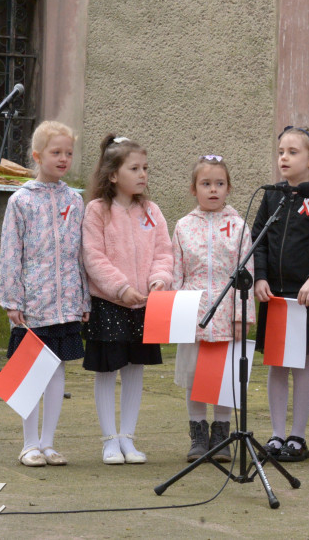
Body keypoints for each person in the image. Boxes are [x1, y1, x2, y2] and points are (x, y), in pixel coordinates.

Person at [0, 121, 90, 467]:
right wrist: (12, 300)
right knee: (31, 373)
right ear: (38, 156)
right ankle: (29, 443)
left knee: (56, 372)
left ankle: (49, 442)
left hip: (65, 303)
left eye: (68, 152)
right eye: (56, 152)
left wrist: (84, 300)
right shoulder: (20, 201)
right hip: (33, 305)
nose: (64, 158)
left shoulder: (75, 200)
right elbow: (11, 253)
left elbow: (81, 253)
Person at [253, 126, 309, 462]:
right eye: (281, 151)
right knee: (276, 365)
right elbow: (258, 239)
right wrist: (260, 276)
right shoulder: (272, 196)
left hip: (305, 296)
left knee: (300, 364)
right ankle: (276, 435)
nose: (284, 158)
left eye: (293, 152)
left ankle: (298, 438)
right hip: (273, 295)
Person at [82, 134, 173, 465]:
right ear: (113, 174)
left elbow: (164, 252)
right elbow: (93, 257)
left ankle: (128, 439)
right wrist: (120, 287)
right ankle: (109, 440)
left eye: (145, 168)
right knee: (108, 369)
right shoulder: (97, 211)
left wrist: (159, 280)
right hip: (110, 303)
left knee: (135, 368)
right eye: (134, 168)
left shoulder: (151, 211)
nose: (143, 174)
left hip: (145, 304)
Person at [171, 155, 253, 463]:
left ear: (228, 187)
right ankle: (198, 434)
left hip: (227, 310)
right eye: (206, 184)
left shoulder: (239, 227)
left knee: (223, 376)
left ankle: (221, 433)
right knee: (195, 376)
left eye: (219, 184)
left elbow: (248, 275)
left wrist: (242, 316)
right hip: (194, 311)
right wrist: (176, 313)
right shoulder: (182, 227)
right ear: (194, 189)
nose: (213, 190)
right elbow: (177, 273)